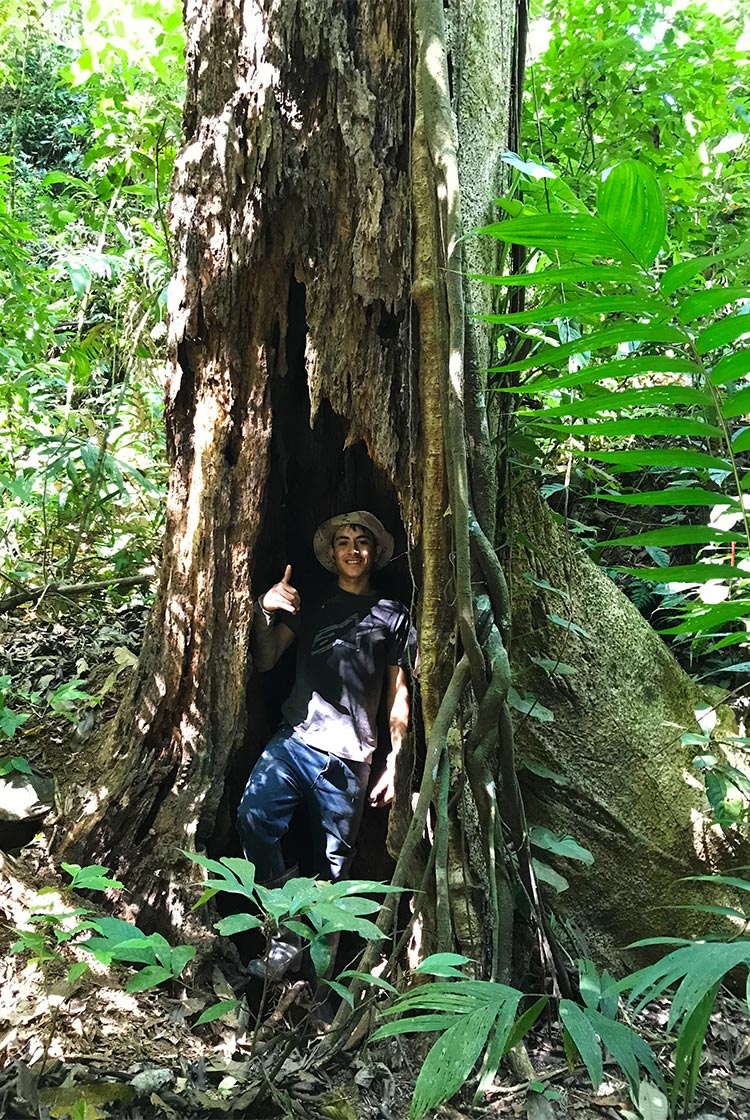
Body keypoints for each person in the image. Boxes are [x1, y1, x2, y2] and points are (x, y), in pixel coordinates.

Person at [237, 511, 412, 980]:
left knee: (334, 873)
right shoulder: (312, 600)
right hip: (293, 741)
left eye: (362, 542)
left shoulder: (393, 615)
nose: (353, 549)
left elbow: (398, 693)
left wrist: (396, 759)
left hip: (350, 758)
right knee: (253, 817)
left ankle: (318, 990)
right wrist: (265, 607)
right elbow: (267, 658)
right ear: (331, 555)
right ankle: (284, 935)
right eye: (343, 542)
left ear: (374, 553)